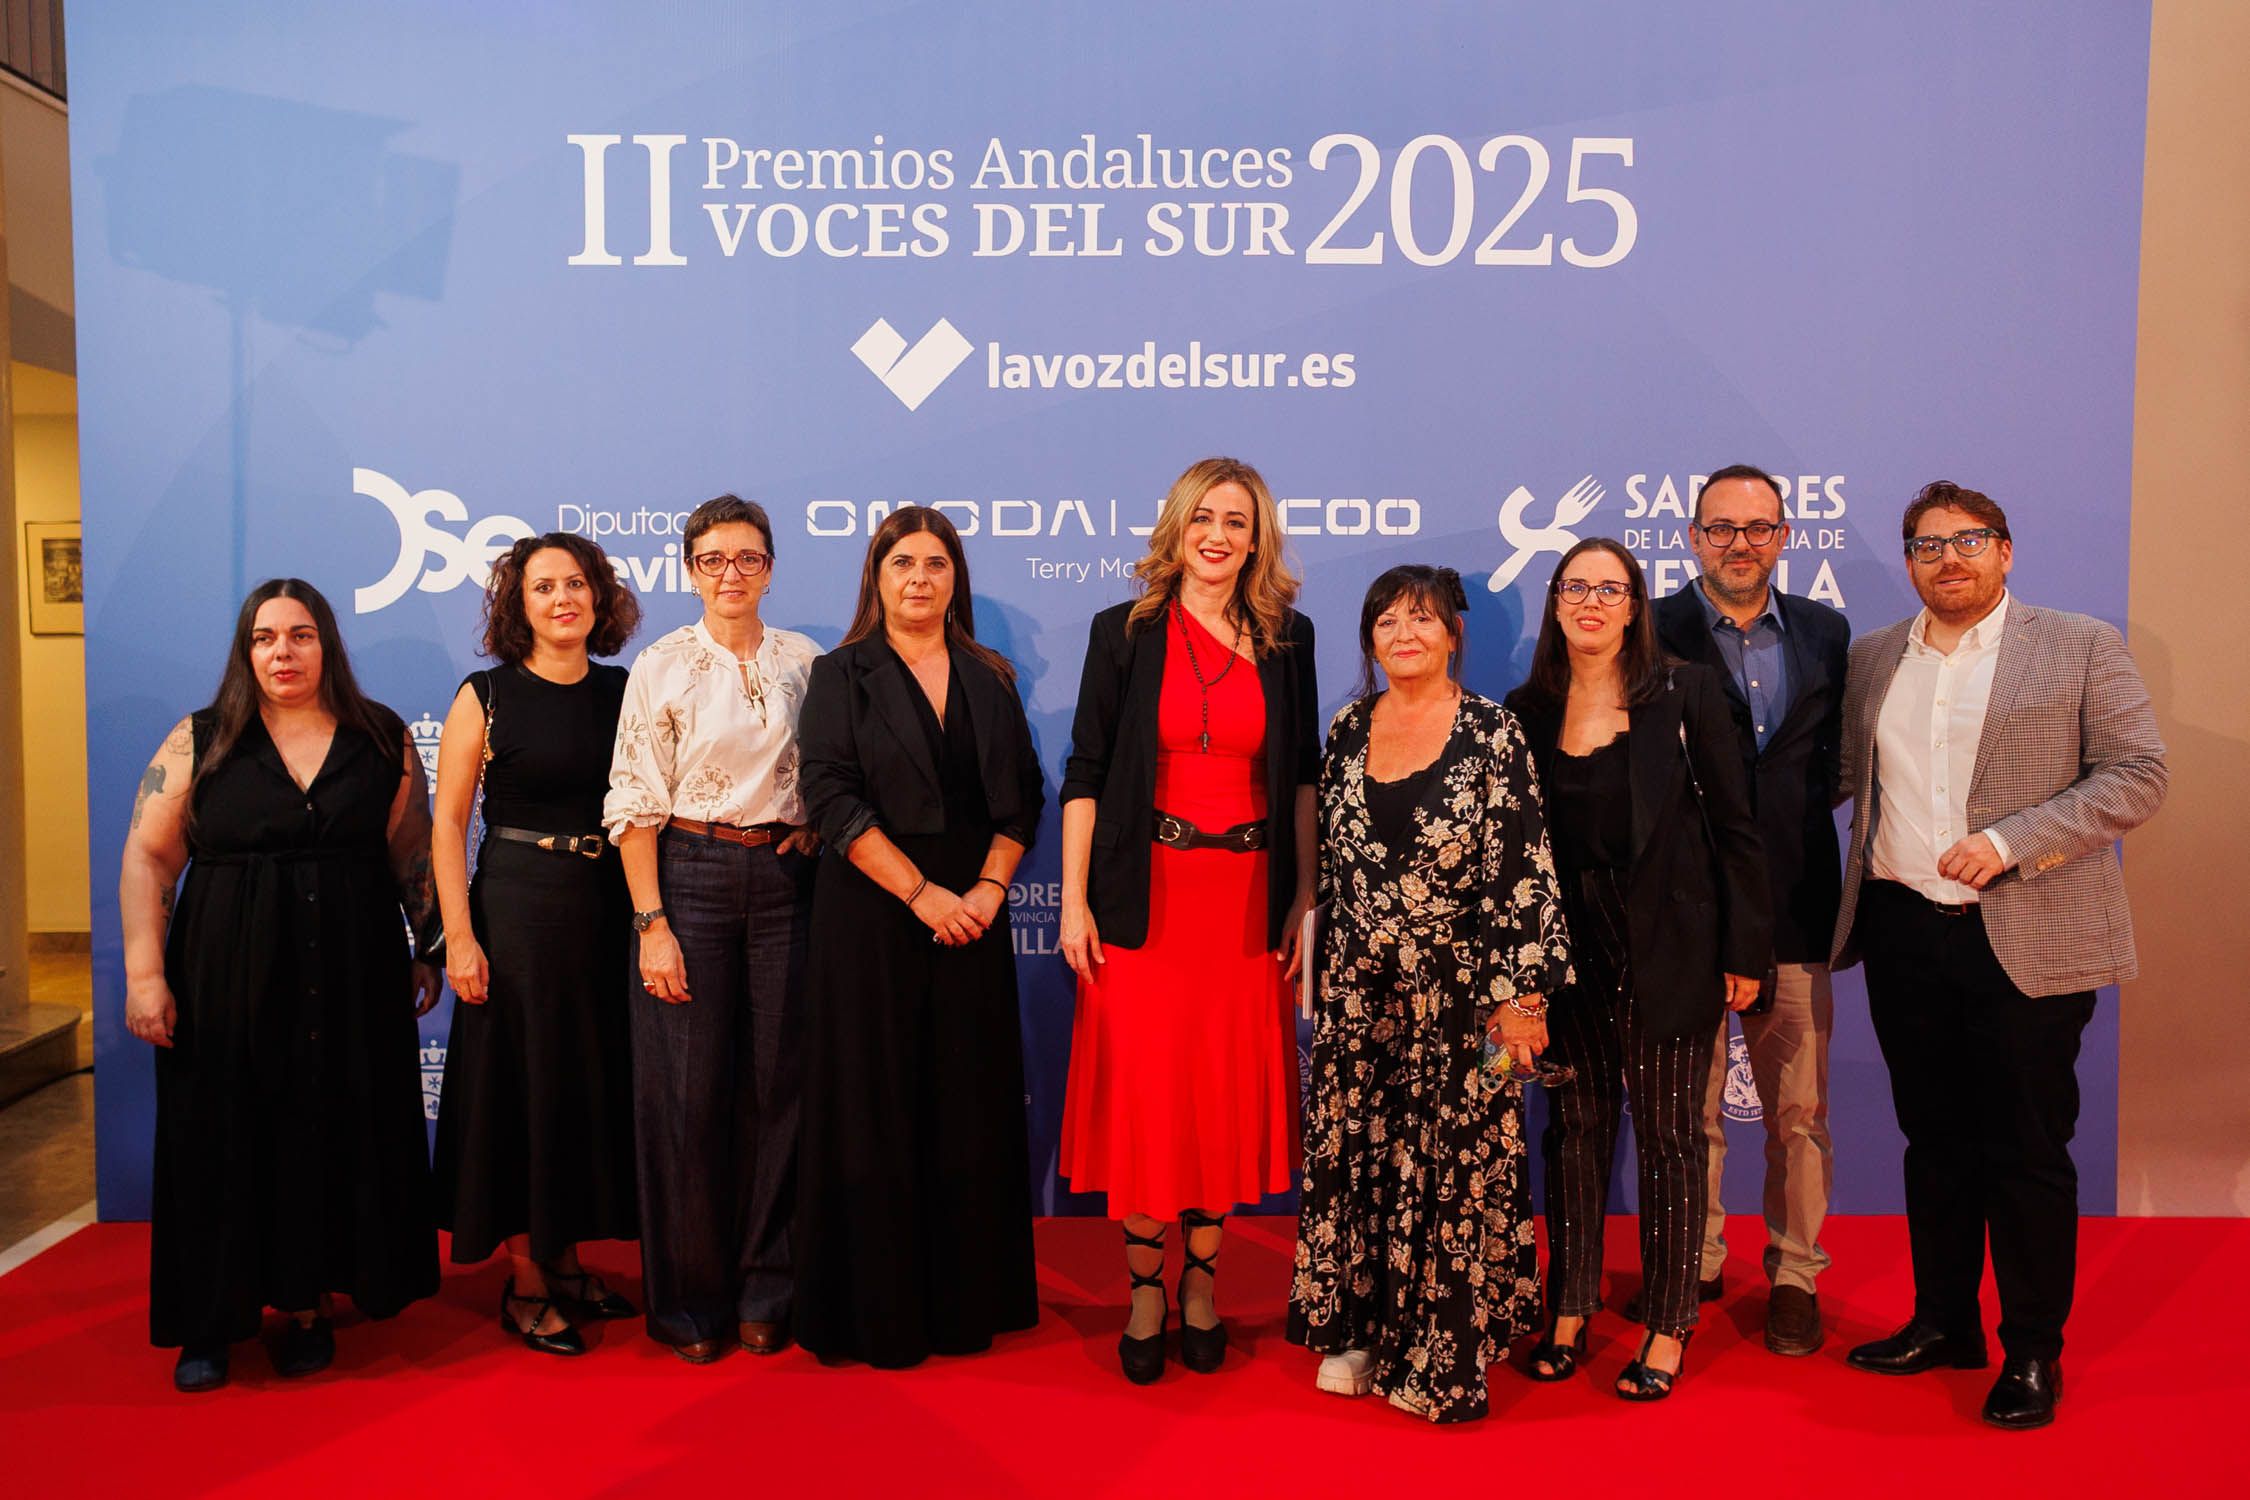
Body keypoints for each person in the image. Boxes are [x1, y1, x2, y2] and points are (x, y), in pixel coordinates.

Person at [1833, 481, 2166, 1430]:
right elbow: (1842, 782)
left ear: (2006, 551)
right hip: (1902, 931)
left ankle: (2031, 1352)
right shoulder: (1871, 659)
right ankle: (1943, 1322)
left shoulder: (2079, 644)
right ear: (1908, 562)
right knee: (1932, 1143)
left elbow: (2139, 774)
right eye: (1928, 545)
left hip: (2027, 933)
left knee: (2024, 1150)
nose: (1950, 558)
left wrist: (2014, 839)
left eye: (1970, 540)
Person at [119, 578, 442, 1393]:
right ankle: (210, 1321)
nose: (283, 652)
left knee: (325, 1129)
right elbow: (151, 856)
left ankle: (305, 1306)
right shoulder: (201, 739)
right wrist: (145, 973)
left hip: (353, 971)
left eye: (300, 635)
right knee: (217, 1136)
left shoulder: (380, 737)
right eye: (265, 638)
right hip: (226, 971)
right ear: (245, 650)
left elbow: (409, 847)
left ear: (326, 643)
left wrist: (427, 947)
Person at [1288, 565, 1570, 1422]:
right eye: (1385, 621)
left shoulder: (1493, 733)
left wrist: (1522, 998)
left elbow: (1524, 869)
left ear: (1453, 634)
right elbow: (1330, 869)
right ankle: (1358, 1328)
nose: (1403, 634)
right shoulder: (1344, 728)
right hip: (1361, 999)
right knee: (1358, 1157)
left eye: (1422, 619)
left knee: (1453, 1167)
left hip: (1463, 996)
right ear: (1368, 639)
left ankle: (1443, 1346)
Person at [1058, 456, 1318, 1384]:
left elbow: (1300, 779)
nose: (1219, 535)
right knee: (1149, 1099)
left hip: (1245, 906)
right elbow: (1085, 772)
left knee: (1217, 1096)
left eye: (1238, 522)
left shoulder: (1291, 637)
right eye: (1204, 517)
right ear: (1178, 526)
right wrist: (1077, 899)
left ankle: (1202, 1284)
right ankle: (1144, 1293)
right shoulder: (1122, 632)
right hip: (1145, 900)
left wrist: (1303, 896)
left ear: (1259, 539)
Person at [1503, 538, 1770, 1401]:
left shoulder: (1685, 693)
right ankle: (1570, 1309)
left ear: (1634, 605)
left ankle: (1665, 1324)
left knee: (1667, 1136)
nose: (1591, 602)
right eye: (1575, 587)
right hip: (1567, 946)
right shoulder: (1526, 710)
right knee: (1574, 1131)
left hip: (1670, 944)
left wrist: (1742, 953)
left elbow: (1737, 829)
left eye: (1609, 589)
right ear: (1554, 603)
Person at [793, 506, 1044, 1368]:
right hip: (870, 916)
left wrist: (982, 889)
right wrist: (922, 893)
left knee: (963, 1107)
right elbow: (829, 798)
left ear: (954, 579)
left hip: (972, 920)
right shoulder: (840, 674)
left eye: (936, 563)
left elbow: (1023, 803)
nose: (920, 578)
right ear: (877, 576)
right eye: (903, 563)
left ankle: (963, 1304)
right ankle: (877, 1312)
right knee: (874, 1106)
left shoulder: (991, 677)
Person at [602, 495, 822, 1364]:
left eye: (748, 558)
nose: (731, 574)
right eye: (713, 559)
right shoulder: (659, 666)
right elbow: (632, 802)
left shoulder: (808, 662)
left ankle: (769, 1285)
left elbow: (834, 770)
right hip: (685, 878)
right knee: (683, 1096)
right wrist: (652, 924)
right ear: (688, 569)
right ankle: (689, 1300)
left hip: (787, 882)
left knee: (782, 1090)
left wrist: (812, 823)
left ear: (770, 567)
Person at [1652, 463, 1851, 1355]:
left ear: (1783, 537)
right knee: (1689, 1113)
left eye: (1759, 527)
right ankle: (1693, 1262)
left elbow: (1841, 763)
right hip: (1687, 910)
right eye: (1721, 527)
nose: (1740, 543)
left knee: (1797, 1113)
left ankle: (1796, 1273)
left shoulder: (1827, 632)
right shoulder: (1649, 629)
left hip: (1799, 904)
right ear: (1694, 537)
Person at [430, 532, 643, 1355]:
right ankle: (525, 1281)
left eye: (577, 584)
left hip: (605, 909)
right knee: (522, 1091)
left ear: (600, 597)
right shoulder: (486, 693)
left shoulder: (625, 690)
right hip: (515, 909)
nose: (564, 599)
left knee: (585, 1085)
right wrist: (459, 938)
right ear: (517, 606)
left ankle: (569, 1258)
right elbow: (448, 823)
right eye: (544, 587)